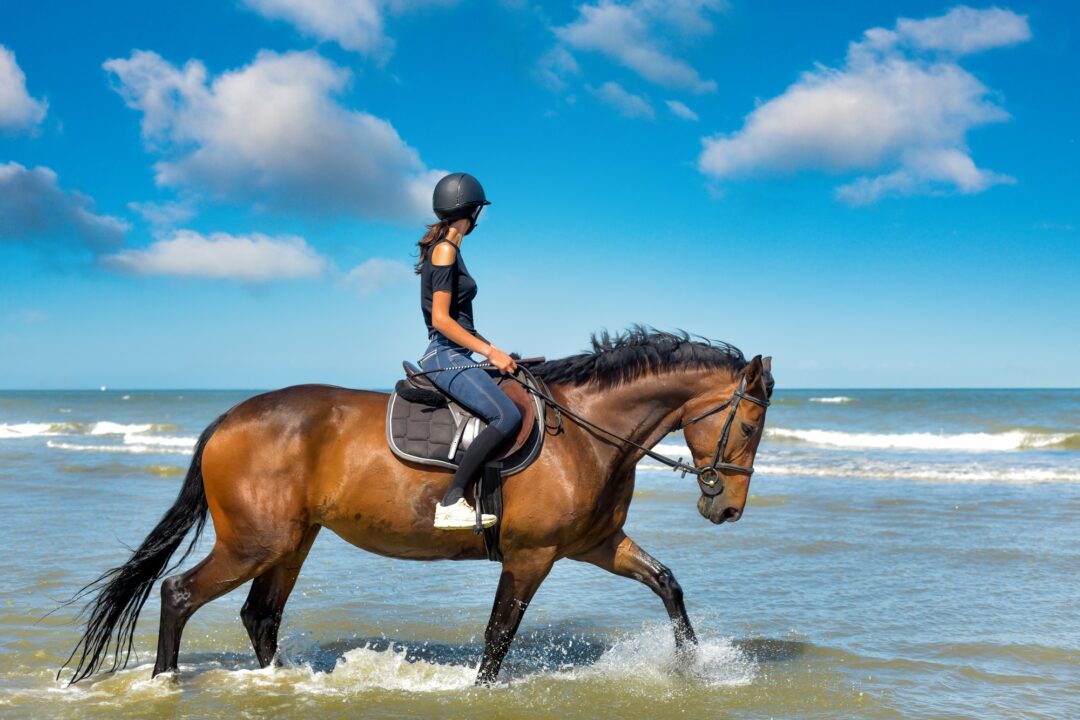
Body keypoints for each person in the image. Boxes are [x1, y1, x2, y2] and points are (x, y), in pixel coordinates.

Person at [415, 172, 522, 530]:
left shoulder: (449, 248)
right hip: (445, 355)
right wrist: (491, 352)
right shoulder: (445, 250)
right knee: (507, 417)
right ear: (471, 211)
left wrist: (498, 352)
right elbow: (442, 320)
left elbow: (462, 323)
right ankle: (452, 499)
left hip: (457, 352)